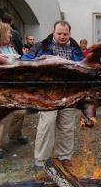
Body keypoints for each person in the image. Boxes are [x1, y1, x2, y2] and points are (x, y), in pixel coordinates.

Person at [22, 20, 84, 168]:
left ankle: (64, 157)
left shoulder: (76, 49)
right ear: (53, 31)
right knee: (47, 124)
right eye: (59, 33)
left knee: (67, 126)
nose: (62, 36)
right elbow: (24, 61)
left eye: (65, 34)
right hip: (47, 93)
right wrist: (39, 63)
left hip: (69, 93)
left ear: (70, 33)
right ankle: (41, 160)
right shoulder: (41, 46)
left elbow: (84, 66)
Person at [0, 22, 28, 163]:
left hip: (12, 85)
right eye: (9, 32)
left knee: (20, 111)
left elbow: (17, 60)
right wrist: (5, 59)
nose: (11, 35)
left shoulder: (10, 46)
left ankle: (15, 135)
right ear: (2, 32)